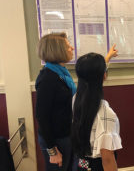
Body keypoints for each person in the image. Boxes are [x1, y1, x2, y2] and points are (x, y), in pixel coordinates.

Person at [35, 32, 117, 171]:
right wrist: (52, 150)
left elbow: (90, 79)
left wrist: (106, 60)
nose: (72, 48)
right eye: (68, 46)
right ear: (57, 50)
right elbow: (42, 116)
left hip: (67, 136)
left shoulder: (61, 73)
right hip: (56, 140)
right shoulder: (48, 79)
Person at [71, 53, 122, 171]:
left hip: (81, 164)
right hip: (97, 166)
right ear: (104, 75)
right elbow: (107, 159)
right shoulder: (105, 114)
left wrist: (106, 59)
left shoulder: (76, 98)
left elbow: (90, 72)